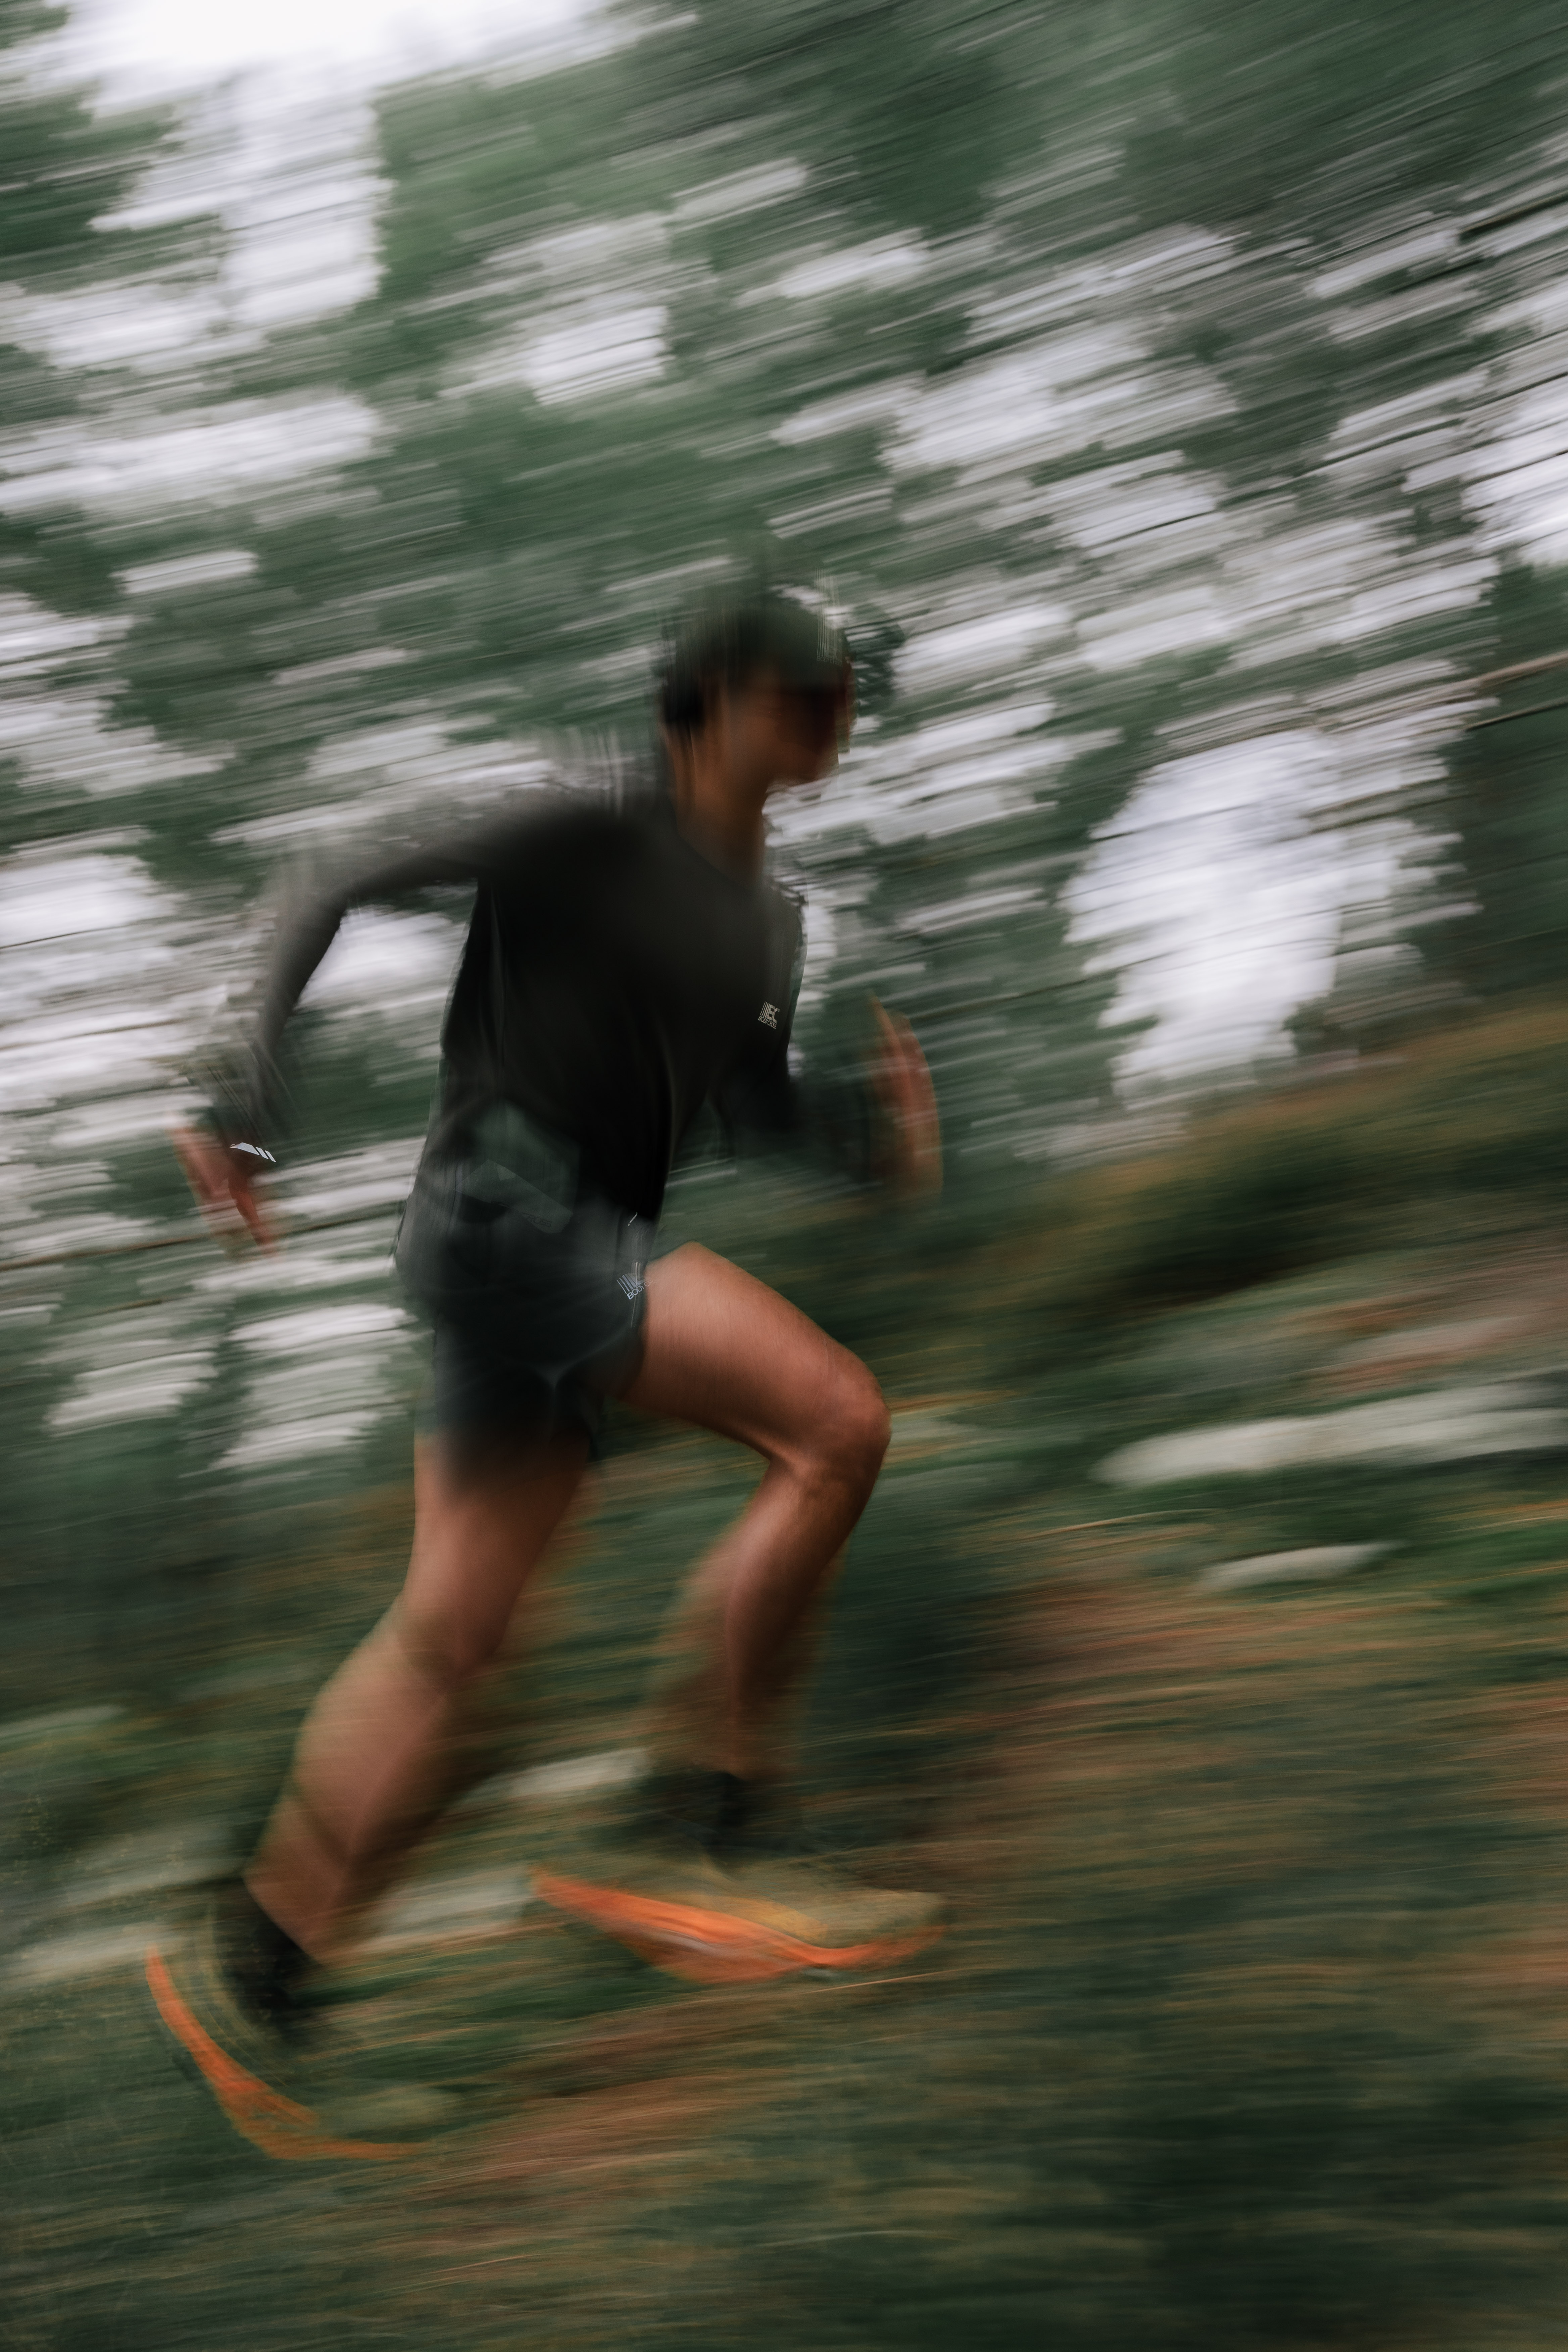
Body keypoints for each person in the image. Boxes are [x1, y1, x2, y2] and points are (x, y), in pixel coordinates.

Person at [149, 587, 944, 2152]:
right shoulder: (585, 826)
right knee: (835, 1424)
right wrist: (242, 1097)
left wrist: (875, 1140)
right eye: (803, 687)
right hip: (508, 1219)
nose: (834, 712)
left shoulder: (767, 924)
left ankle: (255, 1982)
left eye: (846, 692)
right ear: (707, 698)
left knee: (460, 1657)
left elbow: (753, 1109)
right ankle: (699, 1832)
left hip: (551, 1261)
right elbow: (334, 875)